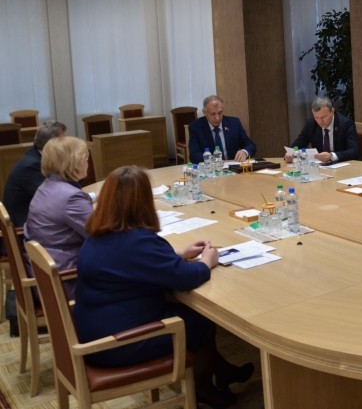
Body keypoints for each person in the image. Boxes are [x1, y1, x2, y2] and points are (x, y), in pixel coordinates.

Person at [73, 166, 253, 408]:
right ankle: (202, 388)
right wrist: (206, 262)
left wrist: (179, 254)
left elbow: (134, 263)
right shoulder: (138, 241)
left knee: (188, 315)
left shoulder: (98, 234)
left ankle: (221, 371)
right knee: (201, 321)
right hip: (119, 343)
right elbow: (185, 278)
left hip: (93, 329)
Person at [23, 136, 93, 299]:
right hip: (66, 282)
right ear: (75, 163)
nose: (88, 164)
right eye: (86, 159)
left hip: (44, 276)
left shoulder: (46, 186)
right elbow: (102, 234)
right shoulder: (71, 197)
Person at [3, 120, 66, 228]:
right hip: (25, 228)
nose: (66, 145)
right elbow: (53, 198)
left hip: (38, 218)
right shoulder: (31, 165)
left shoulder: (38, 156)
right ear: (51, 144)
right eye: (63, 141)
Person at [288, 97, 360, 164]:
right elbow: (299, 143)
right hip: (321, 167)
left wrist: (331, 156)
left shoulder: (346, 124)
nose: (320, 121)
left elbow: (354, 151)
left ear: (332, 111)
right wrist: (290, 154)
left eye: (324, 117)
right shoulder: (311, 124)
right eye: (317, 117)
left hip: (343, 165)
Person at [188, 95, 256, 163]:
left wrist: (245, 152)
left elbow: (251, 145)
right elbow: (194, 155)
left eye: (220, 113)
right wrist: (212, 159)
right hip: (211, 167)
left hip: (232, 166)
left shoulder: (234, 124)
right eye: (213, 114)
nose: (217, 118)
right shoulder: (196, 127)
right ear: (204, 113)